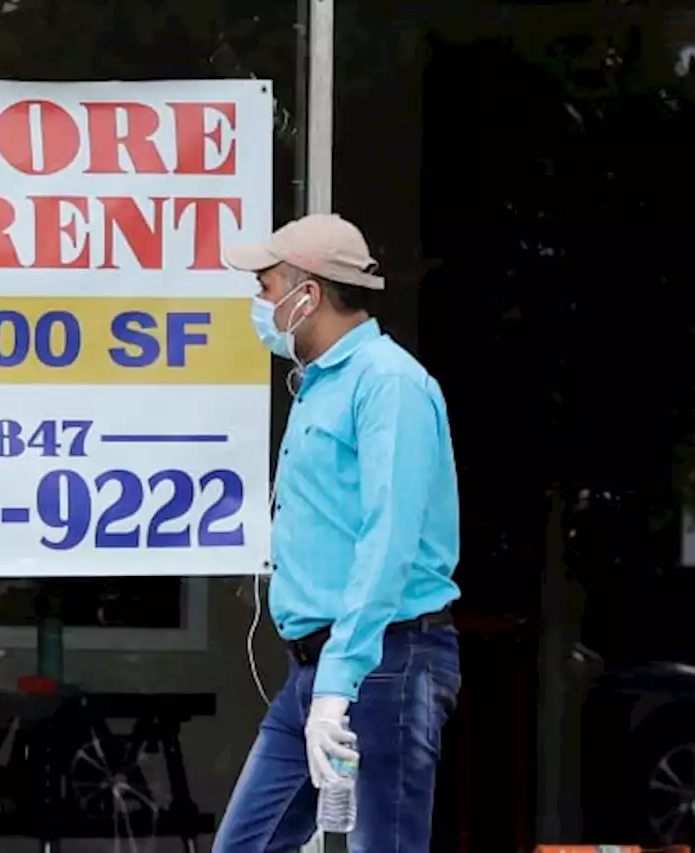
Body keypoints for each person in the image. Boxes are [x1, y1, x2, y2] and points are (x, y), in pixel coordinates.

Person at [212, 214, 461, 853]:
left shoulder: (389, 383)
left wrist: (338, 682)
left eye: (267, 288)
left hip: (385, 661)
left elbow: (389, 543)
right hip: (321, 668)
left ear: (309, 294)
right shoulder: (322, 381)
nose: (260, 305)